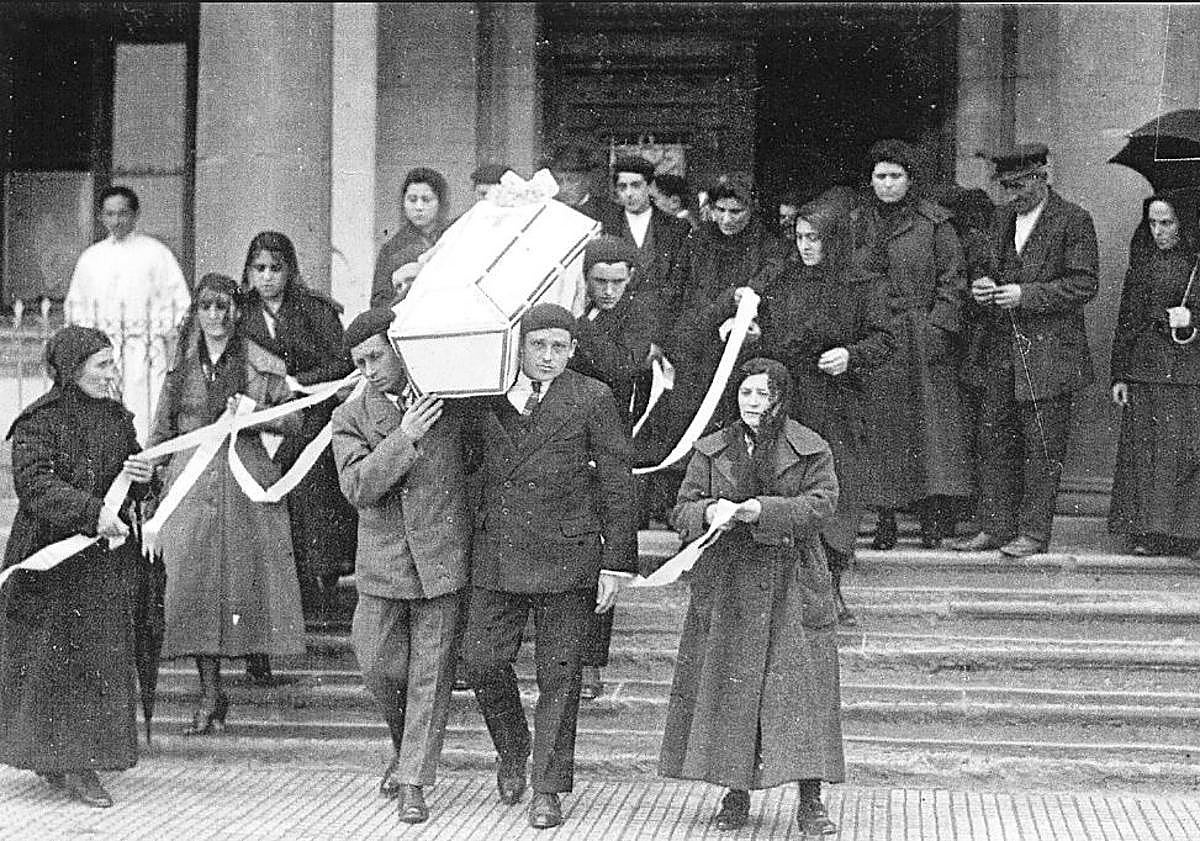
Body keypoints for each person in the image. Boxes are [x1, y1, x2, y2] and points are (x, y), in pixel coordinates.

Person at [462, 303, 637, 830]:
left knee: (560, 676)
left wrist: (616, 563)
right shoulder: (485, 395)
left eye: (560, 347)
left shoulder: (592, 398)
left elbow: (617, 481)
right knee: (481, 660)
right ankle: (514, 748)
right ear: (519, 346)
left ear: (572, 350)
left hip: (569, 555)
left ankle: (548, 787)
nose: (548, 357)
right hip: (499, 553)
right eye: (539, 345)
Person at [661, 357, 843, 836]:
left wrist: (764, 510)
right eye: (746, 394)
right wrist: (708, 512)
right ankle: (734, 794)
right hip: (730, 586)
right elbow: (680, 507)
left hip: (791, 584)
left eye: (765, 395)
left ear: (781, 398)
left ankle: (811, 802)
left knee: (802, 696)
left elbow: (822, 505)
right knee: (732, 693)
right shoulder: (712, 448)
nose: (755, 404)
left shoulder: (810, 447)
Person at [0, 326, 154, 808]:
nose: (113, 374)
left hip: (102, 566)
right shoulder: (36, 423)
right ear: (73, 371)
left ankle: (82, 762)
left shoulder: (117, 418)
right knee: (50, 664)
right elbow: (36, 486)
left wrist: (144, 480)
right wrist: (92, 514)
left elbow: (130, 481)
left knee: (97, 663)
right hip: (50, 565)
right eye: (102, 365)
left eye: (113, 362)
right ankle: (60, 762)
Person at [331, 308, 473, 824]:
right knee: (376, 664)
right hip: (384, 566)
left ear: (399, 347)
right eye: (359, 363)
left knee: (430, 677)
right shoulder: (349, 418)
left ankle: (413, 780)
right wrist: (404, 437)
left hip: (442, 561)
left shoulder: (451, 401)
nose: (368, 371)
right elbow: (358, 488)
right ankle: (403, 746)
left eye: (375, 357)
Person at [148, 272, 306, 736]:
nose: (214, 317)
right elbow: (163, 429)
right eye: (206, 308)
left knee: (246, 578)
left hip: (245, 482)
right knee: (194, 584)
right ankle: (210, 694)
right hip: (191, 483)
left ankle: (254, 663)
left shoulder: (262, 365)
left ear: (236, 312)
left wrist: (255, 415)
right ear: (196, 311)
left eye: (223, 308)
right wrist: (151, 476)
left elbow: (295, 421)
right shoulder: (181, 368)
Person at [745, 199, 894, 623]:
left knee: (835, 488)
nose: (807, 247)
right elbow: (776, 335)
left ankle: (830, 585)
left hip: (841, 400)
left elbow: (885, 339)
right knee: (790, 484)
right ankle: (790, 590)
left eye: (815, 239)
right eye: (800, 238)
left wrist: (851, 353)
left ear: (835, 240)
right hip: (793, 399)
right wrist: (758, 334)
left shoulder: (863, 284)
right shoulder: (788, 280)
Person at [952, 143, 1099, 558]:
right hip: (1002, 352)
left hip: (1050, 358)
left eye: (1017, 185)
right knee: (994, 441)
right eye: (1004, 186)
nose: (1010, 195)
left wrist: (1025, 295)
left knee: (1042, 447)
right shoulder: (1002, 220)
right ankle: (995, 527)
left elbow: (1085, 284)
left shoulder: (1073, 220)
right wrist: (982, 287)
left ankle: (1034, 533)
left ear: (1040, 178)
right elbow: (988, 269)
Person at [645, 172, 790, 524]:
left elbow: (765, 291)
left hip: (738, 356)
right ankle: (682, 506)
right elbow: (676, 292)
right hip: (693, 348)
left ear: (750, 209)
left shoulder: (767, 247)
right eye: (719, 210)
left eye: (736, 211)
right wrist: (663, 339)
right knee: (686, 424)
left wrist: (748, 320)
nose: (726, 219)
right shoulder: (696, 240)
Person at [239, 232, 357, 649]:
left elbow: (342, 364)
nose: (267, 278)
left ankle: (320, 589)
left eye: (275, 268)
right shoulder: (239, 314)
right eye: (259, 269)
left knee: (314, 506)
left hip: (312, 419)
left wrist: (297, 383)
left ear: (289, 271)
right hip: (259, 421)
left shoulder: (314, 311)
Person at [853, 140, 972, 550]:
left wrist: (940, 328)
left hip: (923, 339)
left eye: (895, 177)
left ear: (910, 179)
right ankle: (885, 519)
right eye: (880, 176)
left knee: (931, 433)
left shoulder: (935, 224)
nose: (887, 185)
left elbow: (953, 280)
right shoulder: (858, 222)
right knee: (885, 432)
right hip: (877, 336)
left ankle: (931, 521)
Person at [569, 236, 659, 699]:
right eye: (599, 282)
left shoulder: (635, 315)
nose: (608, 291)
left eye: (617, 282)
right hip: (567, 438)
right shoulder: (582, 312)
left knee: (608, 548)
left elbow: (622, 366)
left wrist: (578, 326)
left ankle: (591, 663)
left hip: (611, 442)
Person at [1108, 192, 1200, 557]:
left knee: (1184, 455)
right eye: (1153, 223)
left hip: (1188, 373)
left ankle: (1188, 533)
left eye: (1168, 223)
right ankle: (1148, 532)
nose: (1159, 231)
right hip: (1145, 369)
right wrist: (1120, 375)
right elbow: (1127, 321)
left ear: (1185, 224)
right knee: (1146, 455)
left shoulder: (1197, 264)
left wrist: (1192, 319)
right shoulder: (1141, 265)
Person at [64, 185, 192, 442]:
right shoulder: (91, 258)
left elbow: (180, 304)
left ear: (135, 214)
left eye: (122, 213)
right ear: (101, 217)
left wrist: (163, 333)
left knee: (145, 410)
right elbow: (76, 308)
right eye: (109, 214)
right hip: (101, 351)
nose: (116, 220)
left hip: (144, 352)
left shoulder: (156, 253)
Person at [595, 154, 690, 310]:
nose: (629, 193)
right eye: (622, 187)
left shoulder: (676, 227)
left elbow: (681, 279)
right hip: (617, 316)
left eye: (636, 185)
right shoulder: (606, 226)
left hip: (661, 316)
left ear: (649, 186)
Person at [371, 167, 450, 308]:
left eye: (426, 200)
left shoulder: (452, 237)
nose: (419, 207)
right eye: (412, 200)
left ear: (440, 203)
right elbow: (379, 305)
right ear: (404, 202)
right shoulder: (391, 250)